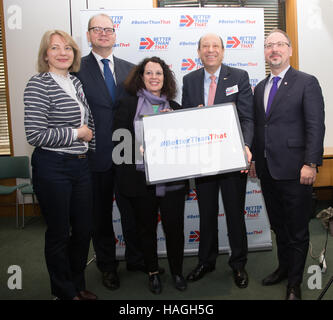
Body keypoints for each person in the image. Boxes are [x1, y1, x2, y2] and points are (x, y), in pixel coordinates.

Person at [249, 29, 325, 300]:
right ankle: (283, 268)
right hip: (268, 171)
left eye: (280, 44)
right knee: (279, 226)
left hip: (296, 170)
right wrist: (256, 161)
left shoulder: (306, 82)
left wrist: (311, 163)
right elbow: (260, 128)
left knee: (297, 230)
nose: (274, 49)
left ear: (290, 50)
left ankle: (294, 283)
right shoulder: (260, 87)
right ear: (265, 52)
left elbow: (316, 126)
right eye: (269, 45)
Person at [24, 30, 97, 300]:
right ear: (46, 55)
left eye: (67, 47)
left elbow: (88, 125)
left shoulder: (75, 83)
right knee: (58, 233)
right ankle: (64, 292)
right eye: (55, 48)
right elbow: (35, 134)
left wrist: (89, 146)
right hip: (53, 166)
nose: (62, 52)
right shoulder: (38, 84)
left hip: (80, 165)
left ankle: (76, 284)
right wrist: (77, 134)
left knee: (83, 229)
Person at [75, 13, 146, 290]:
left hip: (128, 155)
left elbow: (144, 108)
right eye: (97, 29)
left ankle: (137, 258)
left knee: (132, 213)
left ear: (115, 34)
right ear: (89, 35)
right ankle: (107, 266)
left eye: (108, 29)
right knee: (100, 215)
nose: (103, 33)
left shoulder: (131, 70)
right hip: (95, 156)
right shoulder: (77, 69)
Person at [182, 33, 254, 288]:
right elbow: (186, 119)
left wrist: (246, 146)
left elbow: (247, 117)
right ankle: (206, 261)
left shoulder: (239, 77)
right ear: (199, 52)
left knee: (235, 213)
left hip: (232, 158)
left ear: (223, 51)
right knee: (206, 214)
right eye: (205, 46)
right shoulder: (189, 80)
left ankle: (238, 264)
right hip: (203, 160)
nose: (210, 50)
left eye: (215, 46)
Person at [112, 56, 187, 294]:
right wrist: (140, 148)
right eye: (149, 73)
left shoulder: (175, 108)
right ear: (141, 77)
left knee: (174, 229)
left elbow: (186, 146)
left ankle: (177, 271)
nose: (154, 77)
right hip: (140, 182)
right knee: (146, 229)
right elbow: (119, 146)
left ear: (165, 79)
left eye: (159, 73)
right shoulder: (127, 105)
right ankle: (153, 272)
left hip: (172, 181)